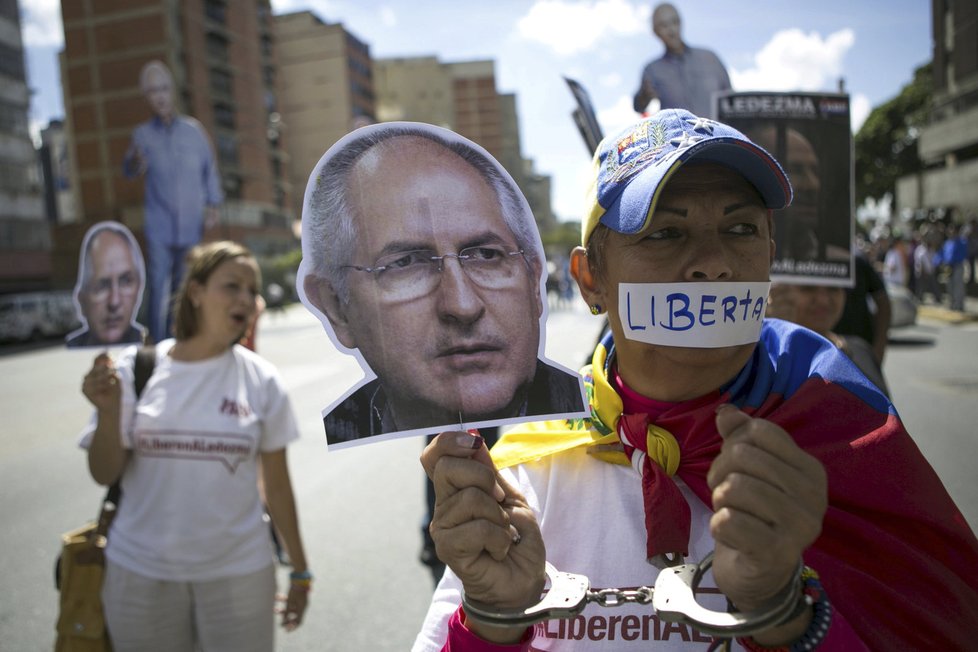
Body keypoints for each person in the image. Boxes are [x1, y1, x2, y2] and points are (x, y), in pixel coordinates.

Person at [415, 110, 978, 650]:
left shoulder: (847, 426)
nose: (713, 263)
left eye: (740, 228)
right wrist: (491, 621)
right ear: (591, 280)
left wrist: (785, 617)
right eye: (664, 233)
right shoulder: (523, 471)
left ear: (769, 259)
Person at [80, 241, 311, 651]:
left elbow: (276, 487)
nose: (245, 297)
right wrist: (110, 411)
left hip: (239, 576)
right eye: (231, 285)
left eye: (251, 289)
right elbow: (104, 473)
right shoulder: (138, 368)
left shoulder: (262, 380)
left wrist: (299, 569)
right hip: (139, 576)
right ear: (196, 292)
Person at [300, 123, 586, 445]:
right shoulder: (346, 424)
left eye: (485, 255)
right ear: (337, 306)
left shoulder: (600, 439)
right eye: (406, 263)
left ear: (534, 282)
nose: (462, 305)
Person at [123, 60, 223, 344]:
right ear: (147, 96)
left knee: (185, 285)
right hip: (159, 223)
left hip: (191, 223)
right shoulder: (142, 135)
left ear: (172, 91)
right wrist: (135, 161)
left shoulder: (194, 131)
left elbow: (209, 169)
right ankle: (156, 341)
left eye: (164, 88)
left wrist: (213, 204)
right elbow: (129, 170)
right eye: (153, 90)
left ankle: (180, 339)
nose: (160, 96)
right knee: (158, 283)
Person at [768, 283, 889, 397]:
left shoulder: (861, 349)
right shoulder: (767, 362)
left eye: (833, 288)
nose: (823, 301)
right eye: (808, 288)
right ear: (779, 293)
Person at [632, 3, 731, 119]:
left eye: (675, 22)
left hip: (719, 134)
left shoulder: (710, 58)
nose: (672, 31)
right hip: (677, 136)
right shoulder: (652, 70)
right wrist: (644, 96)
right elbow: (639, 106)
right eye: (664, 26)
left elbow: (731, 100)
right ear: (655, 32)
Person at [66, 222, 146, 348]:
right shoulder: (72, 349)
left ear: (139, 289)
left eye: (126, 282)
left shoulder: (151, 344)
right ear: (81, 300)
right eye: (101, 287)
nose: (114, 302)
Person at [834, 252, 891, 365]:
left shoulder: (857, 263)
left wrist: (878, 350)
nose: (823, 299)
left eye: (834, 290)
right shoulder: (802, 263)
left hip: (859, 354)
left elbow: (883, 302)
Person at [939, 222, 968, 311]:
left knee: (958, 286)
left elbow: (963, 254)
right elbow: (942, 254)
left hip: (958, 265)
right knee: (949, 286)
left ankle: (959, 305)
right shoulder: (947, 243)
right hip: (948, 267)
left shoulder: (962, 242)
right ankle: (952, 303)